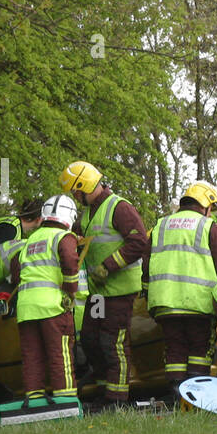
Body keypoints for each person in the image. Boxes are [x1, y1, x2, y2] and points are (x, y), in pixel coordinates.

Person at [59, 160, 148, 411]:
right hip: (99, 295)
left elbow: (139, 242)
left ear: (85, 185)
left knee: (113, 343)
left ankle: (117, 400)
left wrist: (108, 266)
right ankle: (103, 391)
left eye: (76, 192)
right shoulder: (88, 213)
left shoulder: (119, 208)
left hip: (119, 292)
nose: (76, 198)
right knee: (90, 340)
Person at [143, 181, 217, 391]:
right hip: (199, 303)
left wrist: (148, 295)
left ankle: (176, 393)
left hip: (165, 303)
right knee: (200, 350)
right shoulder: (208, 226)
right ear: (206, 206)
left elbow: (145, 266)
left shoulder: (160, 225)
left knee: (174, 349)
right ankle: (194, 396)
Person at [10, 195, 80, 404]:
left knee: (32, 358)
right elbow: (70, 261)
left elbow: (16, 271)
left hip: (26, 308)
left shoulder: (30, 239)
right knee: (60, 356)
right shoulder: (63, 237)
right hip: (52, 307)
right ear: (69, 216)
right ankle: (65, 402)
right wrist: (69, 292)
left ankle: (35, 403)